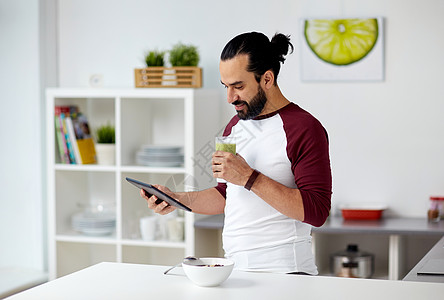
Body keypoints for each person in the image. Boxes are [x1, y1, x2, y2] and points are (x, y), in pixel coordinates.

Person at [141, 32, 332, 275]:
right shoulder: (234, 126)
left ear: (267, 79)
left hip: (287, 273)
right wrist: (176, 199)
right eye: (226, 87)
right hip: (235, 270)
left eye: (238, 86)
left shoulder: (304, 128)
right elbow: (226, 195)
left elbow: (317, 212)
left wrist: (249, 177)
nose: (230, 97)